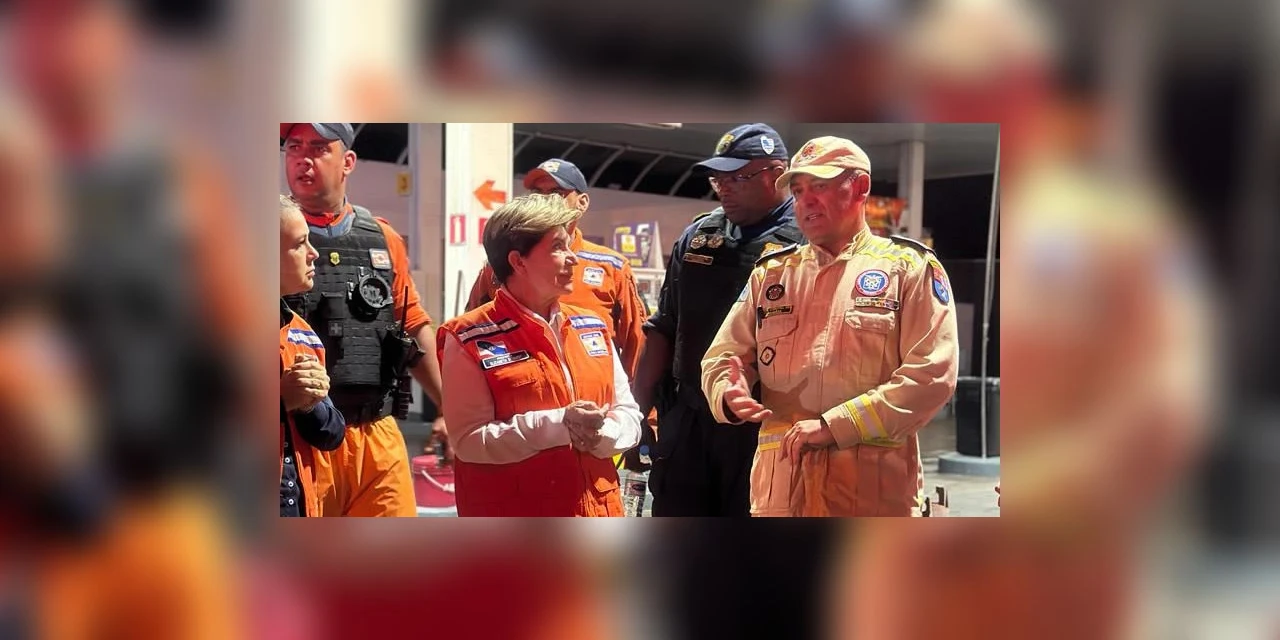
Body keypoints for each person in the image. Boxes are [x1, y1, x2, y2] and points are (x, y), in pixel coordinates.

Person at [701, 136, 959, 517]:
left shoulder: (909, 269)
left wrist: (836, 425)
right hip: (781, 495)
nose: (805, 201)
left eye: (819, 186)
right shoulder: (771, 274)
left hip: (872, 496)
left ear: (860, 187)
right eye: (798, 191)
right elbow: (722, 357)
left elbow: (932, 376)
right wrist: (727, 390)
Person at [632, 123, 803, 517]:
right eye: (717, 179)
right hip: (689, 419)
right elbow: (664, 326)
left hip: (765, 423)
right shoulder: (698, 235)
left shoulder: (806, 241)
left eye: (736, 178)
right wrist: (638, 410)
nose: (723, 188)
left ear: (778, 174)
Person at [437, 194, 643, 516]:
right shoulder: (467, 337)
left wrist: (602, 435)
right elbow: (468, 441)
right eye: (558, 247)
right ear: (518, 262)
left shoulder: (592, 325)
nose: (573, 258)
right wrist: (560, 424)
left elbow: (629, 413)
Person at [281, 122, 444, 517]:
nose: (303, 158)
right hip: (302, 438)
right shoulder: (272, 233)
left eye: (319, 147)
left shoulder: (383, 238)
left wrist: (448, 408)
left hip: (377, 433)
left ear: (348, 161)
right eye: (294, 147)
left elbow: (411, 324)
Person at [465, 158, 647, 378]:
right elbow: (471, 331)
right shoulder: (503, 262)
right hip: (520, 390)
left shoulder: (611, 267)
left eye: (556, 193)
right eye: (537, 193)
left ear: (582, 202)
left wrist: (634, 398)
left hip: (594, 393)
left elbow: (638, 342)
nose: (546, 201)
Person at [279, 195, 346, 517]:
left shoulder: (301, 332)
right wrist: (281, 400)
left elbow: (332, 433)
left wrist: (309, 405)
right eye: (299, 243)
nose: (313, 253)